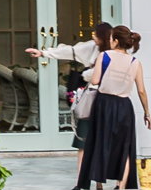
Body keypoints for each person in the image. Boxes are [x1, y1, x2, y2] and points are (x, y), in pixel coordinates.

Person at [73, 25, 151, 190]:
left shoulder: (105, 56)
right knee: (124, 145)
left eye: (111, 39)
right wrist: (147, 113)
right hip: (124, 106)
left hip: (104, 103)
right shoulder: (135, 62)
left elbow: (95, 81)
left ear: (116, 41)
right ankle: (121, 185)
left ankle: (99, 184)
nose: (109, 41)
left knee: (99, 141)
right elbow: (141, 91)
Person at [30, 20, 110, 149]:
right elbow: (70, 51)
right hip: (90, 95)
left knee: (104, 138)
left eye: (96, 34)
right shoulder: (92, 47)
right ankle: (83, 168)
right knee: (83, 138)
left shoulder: (114, 53)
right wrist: (44, 53)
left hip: (107, 97)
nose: (93, 37)